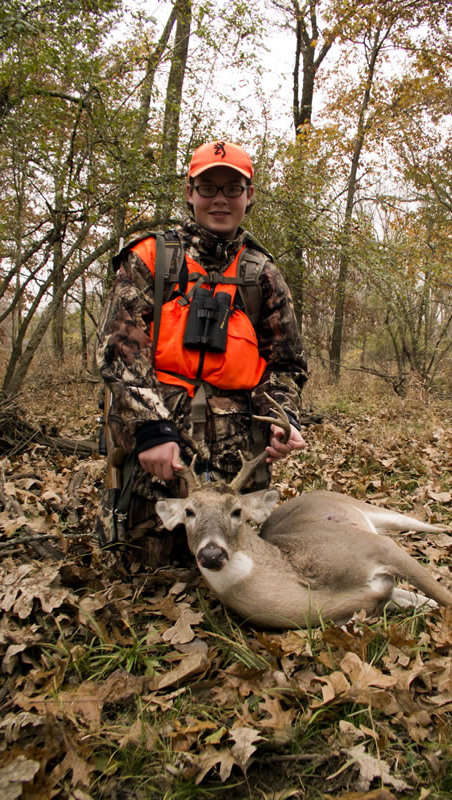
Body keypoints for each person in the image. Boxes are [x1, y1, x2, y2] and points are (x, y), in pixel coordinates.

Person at [95, 140, 307, 565]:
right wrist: (150, 429)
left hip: (236, 462)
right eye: (208, 188)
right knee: (139, 568)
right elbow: (121, 352)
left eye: (232, 188)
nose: (220, 200)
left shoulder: (263, 275)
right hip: (158, 458)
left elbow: (284, 365)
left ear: (249, 195)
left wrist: (282, 419)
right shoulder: (150, 258)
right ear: (190, 192)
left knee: (240, 574)